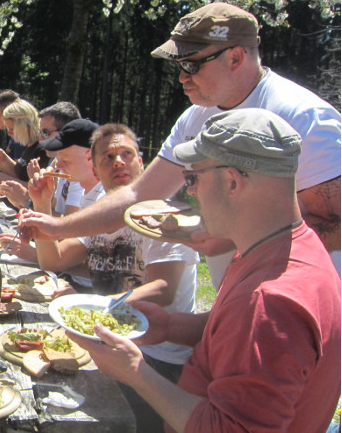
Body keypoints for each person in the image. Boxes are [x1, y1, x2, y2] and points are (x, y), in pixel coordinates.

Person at [18, 1, 341, 285]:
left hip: (298, 307)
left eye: (192, 64)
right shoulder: (195, 118)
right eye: (179, 66)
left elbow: (333, 227)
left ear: (236, 57)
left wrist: (227, 238)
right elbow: (138, 194)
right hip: (242, 297)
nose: (182, 77)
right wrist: (57, 228)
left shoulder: (302, 116)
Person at [72, 109, 340, 432]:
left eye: (193, 179)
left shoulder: (269, 302)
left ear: (232, 182)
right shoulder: (290, 247)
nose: (191, 193)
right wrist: (170, 325)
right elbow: (236, 337)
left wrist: (134, 371)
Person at [33, 123, 199, 432]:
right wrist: (41, 204)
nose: (118, 162)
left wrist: (90, 305)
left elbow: (164, 289)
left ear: (142, 163)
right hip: (108, 341)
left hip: (155, 357)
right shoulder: (102, 213)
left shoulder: (163, 215)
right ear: (95, 170)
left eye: (127, 154)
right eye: (108, 158)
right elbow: (53, 260)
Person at [0, 118, 101, 265]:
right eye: (57, 159)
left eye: (65, 160)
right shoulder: (88, 193)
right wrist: (41, 203)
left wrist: (33, 253)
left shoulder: (102, 199)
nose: (58, 166)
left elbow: (56, 262)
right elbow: (53, 262)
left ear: (90, 158)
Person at [1, 102, 82, 212]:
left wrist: (26, 199)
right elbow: (51, 210)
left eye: (45, 132)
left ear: (67, 132)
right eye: (40, 132)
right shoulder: (55, 162)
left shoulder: (79, 172)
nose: (40, 139)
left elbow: (70, 225)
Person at [0, 98, 50, 182]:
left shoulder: (42, 150)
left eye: (11, 129)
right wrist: (3, 159)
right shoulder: (29, 145)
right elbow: (19, 174)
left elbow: (37, 190)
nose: (9, 133)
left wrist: (3, 178)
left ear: (23, 126)